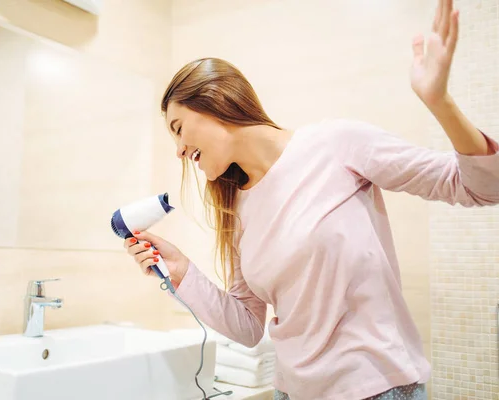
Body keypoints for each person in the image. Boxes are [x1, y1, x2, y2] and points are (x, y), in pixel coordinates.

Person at [124, 1, 498, 399]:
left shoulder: (337, 144)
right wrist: (182, 271)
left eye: (179, 129)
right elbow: (250, 327)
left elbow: (480, 186)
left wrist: (439, 101)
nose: (179, 150)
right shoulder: (237, 208)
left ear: (214, 99)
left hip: (377, 388)